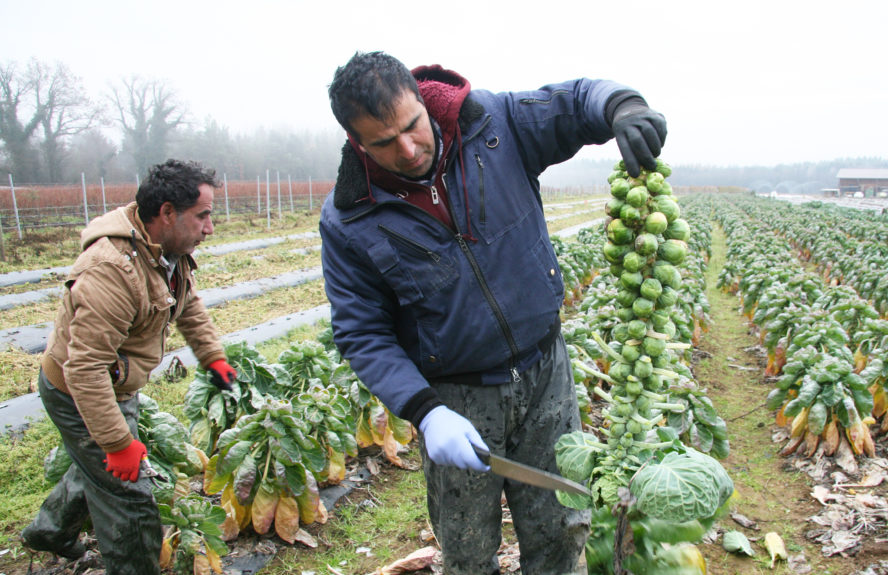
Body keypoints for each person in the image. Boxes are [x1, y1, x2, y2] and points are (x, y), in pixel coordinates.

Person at [320, 51, 666, 575]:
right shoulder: (350, 217)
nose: (409, 148)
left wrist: (622, 106)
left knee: (560, 527)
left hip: (544, 370)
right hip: (457, 398)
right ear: (357, 142)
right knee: (466, 547)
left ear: (420, 101)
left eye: (413, 127)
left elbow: (574, 101)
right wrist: (425, 411)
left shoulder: (493, 125)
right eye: (384, 143)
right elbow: (361, 330)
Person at [21, 159, 238, 575]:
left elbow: (187, 305)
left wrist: (214, 357)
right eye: (203, 215)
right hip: (77, 390)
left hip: (115, 383)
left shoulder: (166, 252)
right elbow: (83, 370)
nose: (210, 228)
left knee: (97, 471)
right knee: (130, 497)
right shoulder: (112, 270)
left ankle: (48, 532)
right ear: (168, 212)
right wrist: (118, 445)